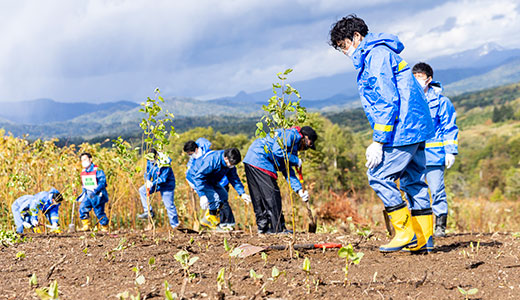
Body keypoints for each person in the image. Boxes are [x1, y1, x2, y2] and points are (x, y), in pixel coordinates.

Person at [329, 15, 435, 252]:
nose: (345, 52)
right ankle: (423, 239)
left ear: (356, 37)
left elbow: (386, 100)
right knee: (413, 181)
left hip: (403, 128)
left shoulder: (375, 56)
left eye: (344, 46)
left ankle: (405, 232)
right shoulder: (383, 51)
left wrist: (378, 141)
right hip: (416, 126)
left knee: (378, 176)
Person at [413, 62, 459, 238]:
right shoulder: (410, 101)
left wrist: (450, 151)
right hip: (413, 157)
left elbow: (450, 127)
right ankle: (419, 227)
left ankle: (439, 226)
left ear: (429, 79)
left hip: (433, 155)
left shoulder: (442, 102)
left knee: (437, 190)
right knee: (415, 191)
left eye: (420, 77)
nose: (417, 81)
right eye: (414, 77)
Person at [243, 126, 317, 234]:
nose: (305, 148)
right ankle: (277, 229)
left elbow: (287, 171)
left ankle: (263, 229)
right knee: (272, 195)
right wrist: (296, 160)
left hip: (251, 159)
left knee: (258, 196)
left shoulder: (291, 146)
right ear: (305, 138)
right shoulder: (291, 135)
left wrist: (299, 190)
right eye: (309, 144)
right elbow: (277, 151)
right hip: (261, 160)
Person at [189, 148, 251, 229]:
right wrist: (202, 195)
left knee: (224, 196)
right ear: (225, 158)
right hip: (197, 178)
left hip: (211, 179)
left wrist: (242, 193)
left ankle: (208, 218)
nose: (232, 166)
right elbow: (199, 177)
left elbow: (234, 178)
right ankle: (213, 223)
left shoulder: (230, 164)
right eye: (231, 164)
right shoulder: (212, 161)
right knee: (214, 198)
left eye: (234, 165)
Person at [184, 138, 235, 229]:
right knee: (214, 201)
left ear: (195, 149)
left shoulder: (209, 155)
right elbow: (192, 173)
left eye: (190, 154)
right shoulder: (194, 158)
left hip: (219, 181)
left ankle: (225, 223)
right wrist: (196, 188)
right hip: (207, 182)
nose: (190, 156)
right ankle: (214, 222)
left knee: (221, 201)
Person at [137, 148, 179, 230]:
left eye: (152, 159)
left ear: (156, 156)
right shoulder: (149, 160)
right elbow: (147, 171)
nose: (150, 161)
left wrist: (153, 183)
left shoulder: (164, 162)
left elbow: (164, 178)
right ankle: (148, 212)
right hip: (155, 183)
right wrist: (147, 180)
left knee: (169, 206)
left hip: (167, 185)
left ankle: (175, 225)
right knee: (142, 190)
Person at [77, 152, 110, 232]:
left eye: (85, 159)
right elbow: (84, 184)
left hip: (97, 195)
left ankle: (105, 227)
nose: (83, 162)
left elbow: (103, 182)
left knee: (99, 212)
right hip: (87, 194)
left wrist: (96, 190)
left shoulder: (97, 170)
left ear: (90, 159)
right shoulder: (83, 171)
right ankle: (86, 226)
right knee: (82, 208)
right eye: (82, 160)